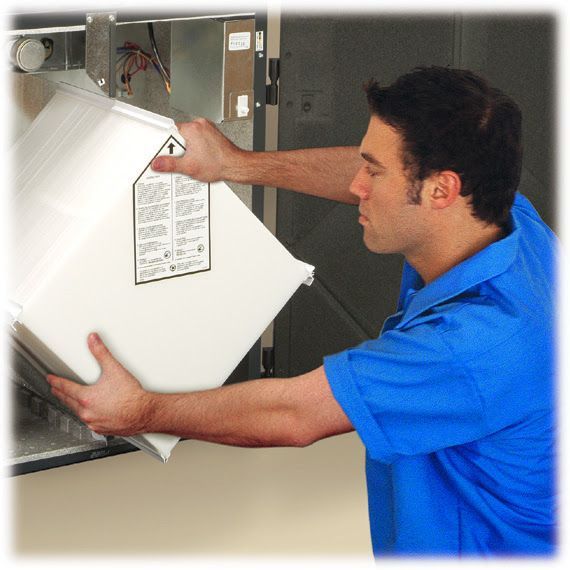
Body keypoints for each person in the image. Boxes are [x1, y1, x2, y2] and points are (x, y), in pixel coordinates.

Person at [47, 66, 556, 556]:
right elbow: (371, 173)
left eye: (373, 173)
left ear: (441, 190)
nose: (357, 185)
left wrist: (141, 412)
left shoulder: (471, 346)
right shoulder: (508, 222)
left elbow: (295, 413)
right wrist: (236, 163)